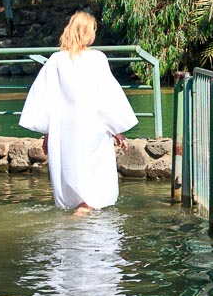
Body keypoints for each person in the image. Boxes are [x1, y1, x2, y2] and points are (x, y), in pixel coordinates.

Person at [20, 11, 138, 215]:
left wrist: (48, 133)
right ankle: (83, 212)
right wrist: (117, 131)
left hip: (63, 129)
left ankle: (78, 213)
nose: (94, 34)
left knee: (70, 170)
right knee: (94, 175)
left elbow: (46, 99)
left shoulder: (55, 60)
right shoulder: (96, 59)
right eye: (93, 29)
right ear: (86, 32)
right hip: (93, 128)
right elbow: (107, 98)